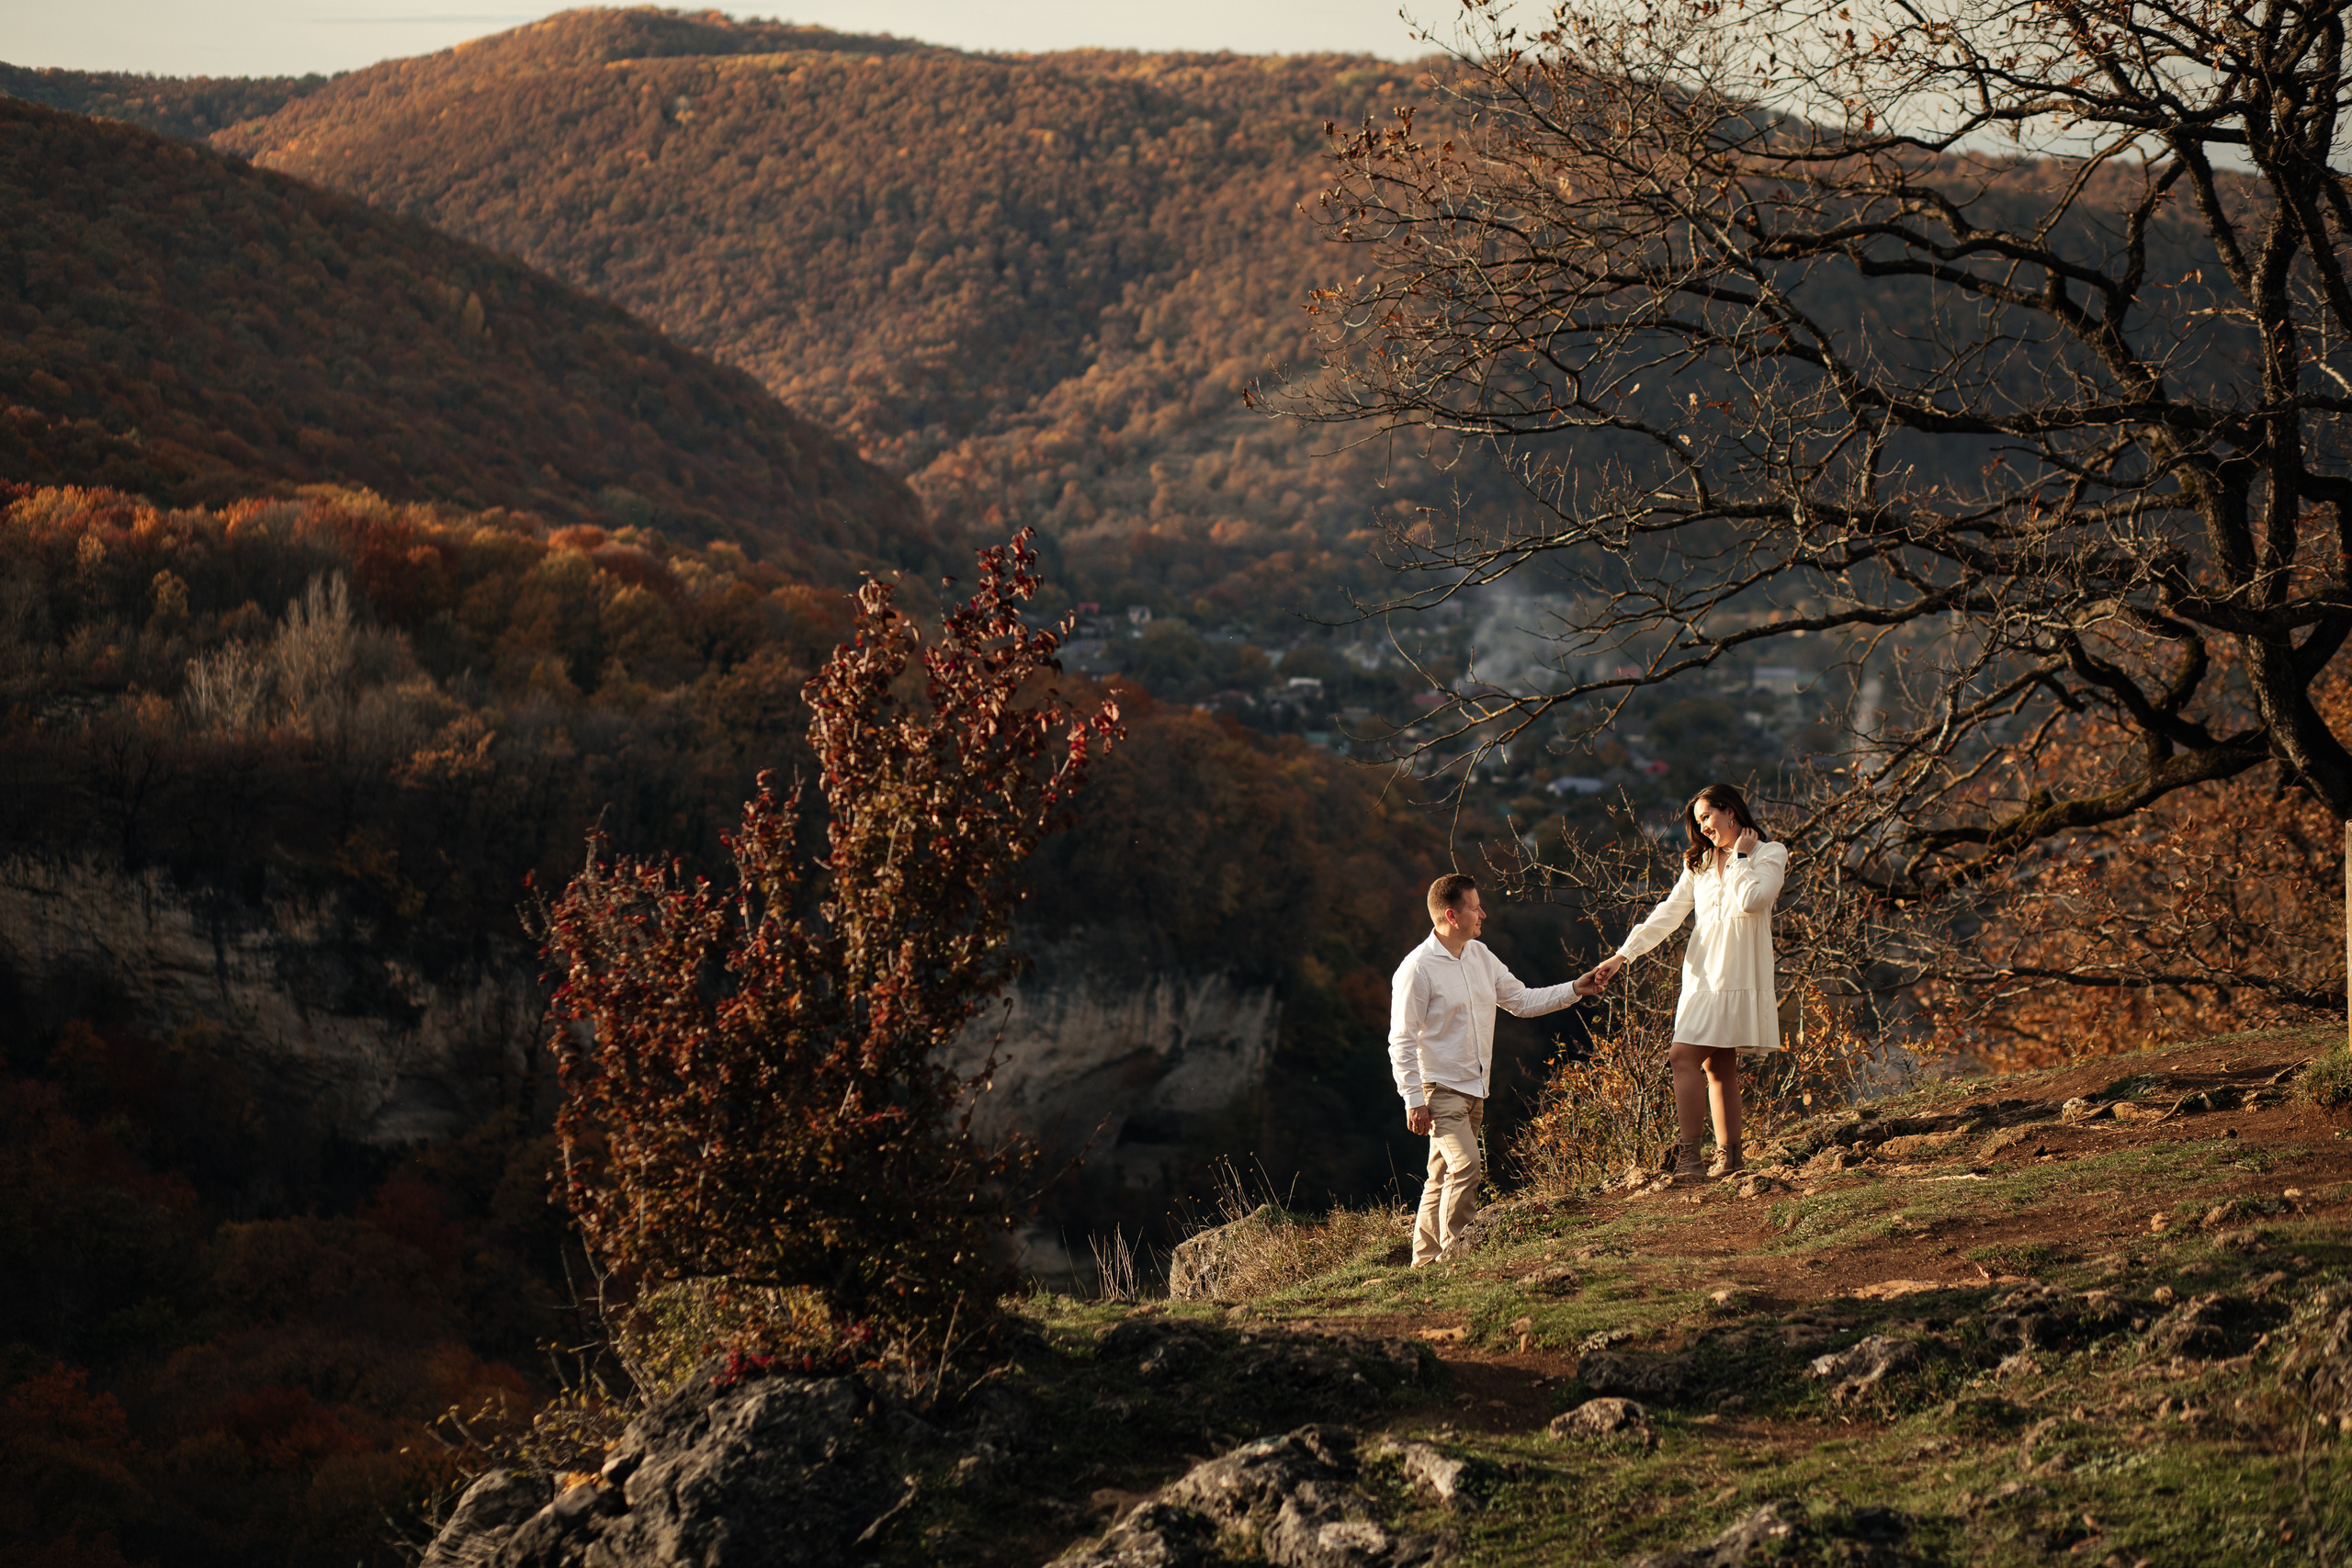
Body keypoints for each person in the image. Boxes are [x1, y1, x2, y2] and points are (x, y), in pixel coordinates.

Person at [1389, 873, 1601, 1266]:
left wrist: (1576, 988)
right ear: (1452, 915)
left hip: (1476, 1089)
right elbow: (1400, 1040)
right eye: (1474, 907)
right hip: (1440, 1090)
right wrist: (1413, 1100)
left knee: (1441, 1176)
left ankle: (1423, 1262)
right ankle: (1457, 1259)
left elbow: (1521, 1000)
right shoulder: (1417, 969)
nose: (1483, 913)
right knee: (1466, 1167)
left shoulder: (1481, 956)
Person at [1589, 783, 1787, 1183]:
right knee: (1718, 1065)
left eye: (1708, 817)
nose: (1704, 828)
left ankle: (1692, 1162)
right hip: (1702, 975)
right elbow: (1668, 913)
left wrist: (1741, 857)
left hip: (1737, 973)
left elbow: (1753, 900)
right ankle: (1730, 1161)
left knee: (1682, 1056)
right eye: (1699, 822)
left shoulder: (1769, 852)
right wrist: (1622, 955)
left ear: (1730, 811)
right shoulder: (1698, 863)